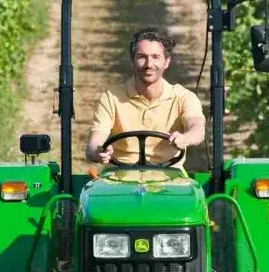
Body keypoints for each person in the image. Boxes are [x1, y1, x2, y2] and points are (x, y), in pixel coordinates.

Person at [85, 27, 206, 168]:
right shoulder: (111, 97)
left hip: (169, 178)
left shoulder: (183, 97)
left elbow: (197, 129)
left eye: (156, 57)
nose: (149, 65)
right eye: (142, 57)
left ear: (166, 62)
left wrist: (186, 138)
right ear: (132, 60)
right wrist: (99, 151)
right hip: (119, 178)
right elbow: (94, 143)